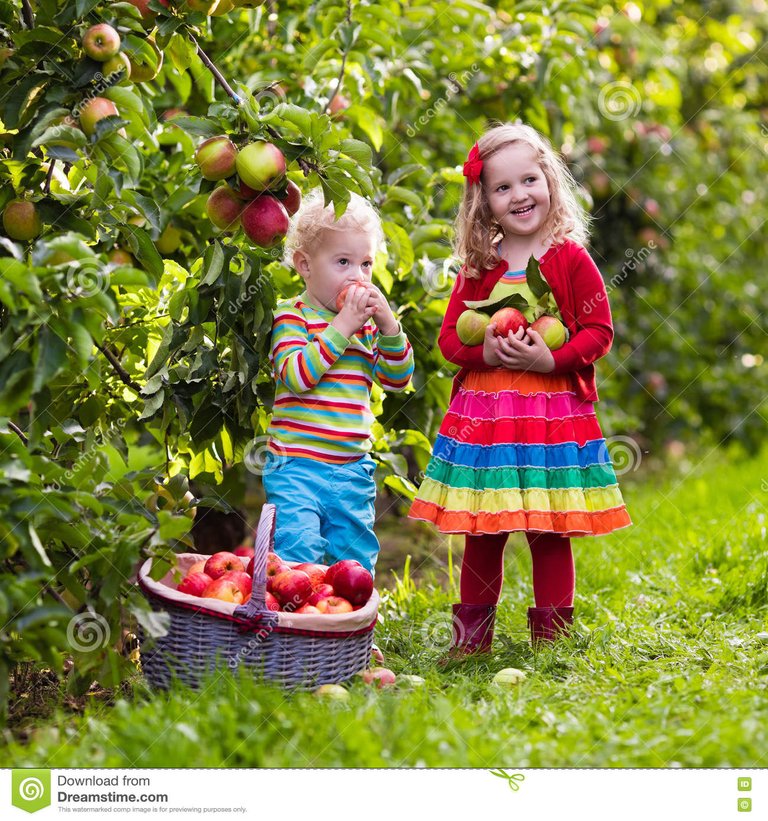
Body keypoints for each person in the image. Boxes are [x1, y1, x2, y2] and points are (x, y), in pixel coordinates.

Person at [408, 122, 632, 653]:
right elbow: (449, 338)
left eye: (528, 180)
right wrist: (485, 350)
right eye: (502, 187)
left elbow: (599, 332)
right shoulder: (480, 266)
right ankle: (470, 642)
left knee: (549, 531)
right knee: (482, 531)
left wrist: (549, 357)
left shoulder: (569, 259)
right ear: (483, 201)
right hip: (488, 423)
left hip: (549, 420)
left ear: (549, 181)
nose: (519, 195)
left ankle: (552, 642)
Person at [263, 189, 414, 576]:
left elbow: (397, 379)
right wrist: (342, 327)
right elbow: (297, 375)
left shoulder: (365, 328)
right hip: (296, 467)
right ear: (305, 265)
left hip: (351, 469)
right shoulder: (292, 317)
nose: (357, 276)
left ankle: (350, 633)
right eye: (343, 261)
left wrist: (388, 326)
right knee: (297, 555)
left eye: (366, 264)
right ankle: (297, 632)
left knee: (354, 563)